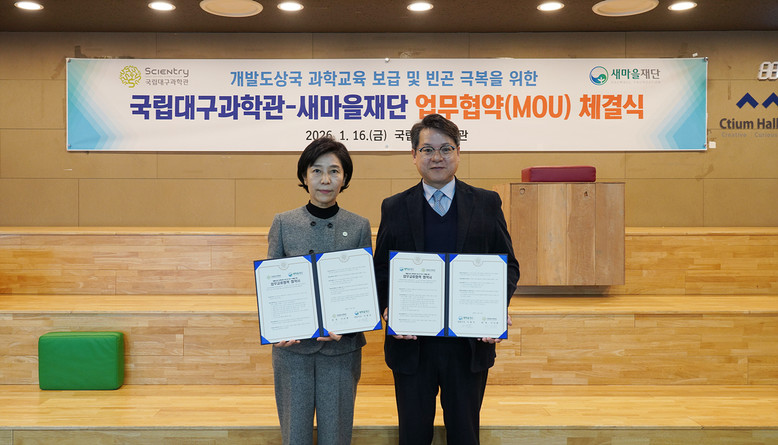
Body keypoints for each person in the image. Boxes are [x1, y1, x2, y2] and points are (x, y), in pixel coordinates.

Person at [373, 114, 520, 445]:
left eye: (446, 149)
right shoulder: (394, 207)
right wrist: (387, 306)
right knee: (413, 436)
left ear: (459, 153)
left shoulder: (486, 203)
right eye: (427, 149)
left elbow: (508, 264)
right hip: (412, 344)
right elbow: (381, 267)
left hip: (468, 344)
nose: (436, 157)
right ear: (414, 155)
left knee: (465, 434)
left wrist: (495, 305)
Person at [267, 136, 372, 445]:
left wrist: (349, 326)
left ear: (345, 178)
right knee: (295, 435)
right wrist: (278, 327)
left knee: (336, 435)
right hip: (293, 349)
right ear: (304, 176)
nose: (325, 180)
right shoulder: (283, 223)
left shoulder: (359, 226)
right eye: (317, 171)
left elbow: (363, 288)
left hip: (341, 350)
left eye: (334, 171)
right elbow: (272, 285)